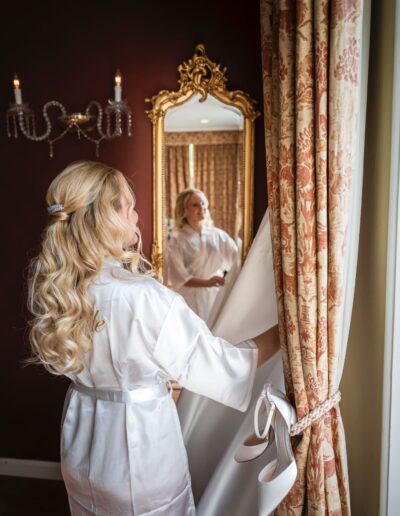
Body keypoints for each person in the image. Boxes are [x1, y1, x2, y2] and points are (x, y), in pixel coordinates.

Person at [27, 161, 278, 516]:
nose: (136, 216)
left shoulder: (59, 288)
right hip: (140, 457)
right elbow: (225, 368)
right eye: (128, 206)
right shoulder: (144, 297)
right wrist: (284, 332)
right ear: (108, 217)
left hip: (81, 449)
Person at [166, 188, 239, 324]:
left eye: (203, 203)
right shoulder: (176, 240)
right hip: (189, 299)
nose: (202, 208)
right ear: (184, 210)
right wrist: (206, 282)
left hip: (215, 295)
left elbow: (237, 258)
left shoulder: (218, 235)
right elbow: (179, 277)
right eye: (195, 205)